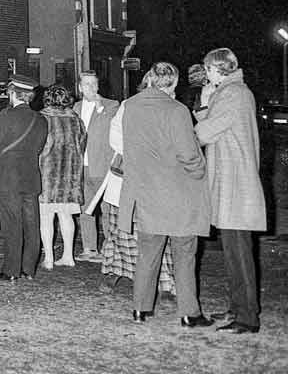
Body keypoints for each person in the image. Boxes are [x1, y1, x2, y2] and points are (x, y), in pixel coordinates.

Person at [118, 62, 212, 327]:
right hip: (177, 194)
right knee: (184, 253)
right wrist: (200, 172)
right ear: (173, 83)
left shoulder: (131, 106)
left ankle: (140, 308)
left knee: (148, 253)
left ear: (149, 78)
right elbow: (189, 154)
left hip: (146, 194)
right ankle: (188, 313)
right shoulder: (177, 110)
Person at [194, 48, 267, 334]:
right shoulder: (230, 91)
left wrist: (178, 141)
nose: (205, 72)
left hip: (237, 184)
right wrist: (203, 103)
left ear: (217, 68)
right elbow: (212, 121)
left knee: (239, 253)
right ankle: (239, 307)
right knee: (234, 251)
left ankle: (248, 318)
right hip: (231, 182)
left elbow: (208, 130)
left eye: (207, 68)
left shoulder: (233, 93)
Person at [102, 84, 178, 296]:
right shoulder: (128, 106)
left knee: (157, 231)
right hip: (126, 179)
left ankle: (164, 282)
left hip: (158, 182)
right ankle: (115, 271)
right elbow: (115, 137)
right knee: (121, 231)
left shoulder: (173, 109)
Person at [0, 74, 48, 282]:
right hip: (30, 177)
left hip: (8, 177)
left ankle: (11, 270)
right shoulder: (40, 119)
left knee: (12, 224)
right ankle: (29, 268)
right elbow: (38, 148)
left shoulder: (6, 115)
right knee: (31, 223)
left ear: (13, 93)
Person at [38, 85, 86, 269]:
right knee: (67, 216)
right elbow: (82, 145)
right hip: (70, 175)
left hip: (47, 174)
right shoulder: (76, 120)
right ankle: (68, 256)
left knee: (46, 217)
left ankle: (49, 258)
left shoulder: (42, 118)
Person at [72, 71, 119, 263]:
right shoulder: (75, 107)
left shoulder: (112, 106)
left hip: (103, 167)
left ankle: (111, 250)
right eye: (86, 84)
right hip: (82, 167)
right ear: (80, 88)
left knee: (107, 210)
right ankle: (89, 248)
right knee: (85, 209)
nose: (90, 88)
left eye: (93, 84)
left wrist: (100, 108)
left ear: (98, 86)